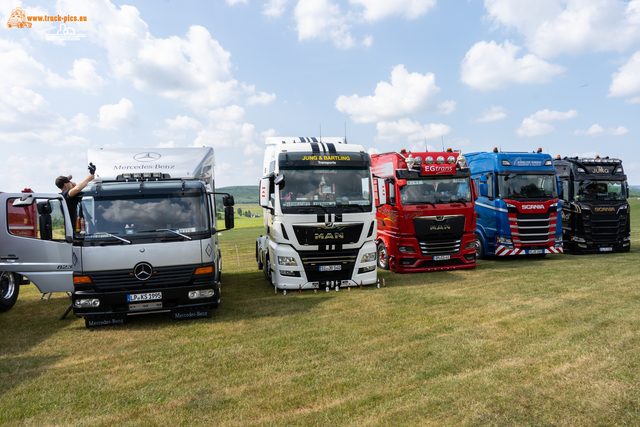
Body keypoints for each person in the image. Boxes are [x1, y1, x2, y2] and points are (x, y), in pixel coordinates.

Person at [55, 163, 96, 231]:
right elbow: (77, 189)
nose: (71, 182)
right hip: (73, 230)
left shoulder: (67, 195)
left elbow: (77, 190)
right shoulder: (64, 194)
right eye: (69, 181)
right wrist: (88, 179)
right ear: (65, 184)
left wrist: (74, 186)